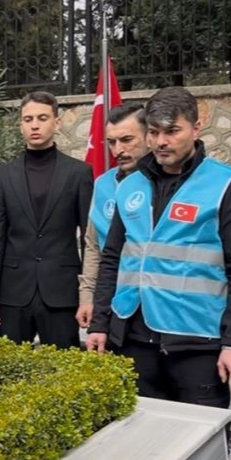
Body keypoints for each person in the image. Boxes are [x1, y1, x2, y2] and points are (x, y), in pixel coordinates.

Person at [87, 86, 231, 406]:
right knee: (137, 432)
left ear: (196, 128)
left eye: (172, 131)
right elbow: (112, 258)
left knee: (201, 433)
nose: (161, 141)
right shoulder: (129, 186)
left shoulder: (229, 185)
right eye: (153, 132)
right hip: (132, 339)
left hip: (197, 344)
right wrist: (100, 325)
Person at [0, 91, 92, 348]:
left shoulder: (79, 173)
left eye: (42, 118)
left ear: (57, 122)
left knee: (64, 366)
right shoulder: (4, 175)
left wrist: (88, 295)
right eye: (28, 119)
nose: (34, 125)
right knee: (9, 366)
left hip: (61, 292)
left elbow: (89, 240)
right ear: (21, 124)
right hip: (13, 292)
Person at [76, 103, 148, 329]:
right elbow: (93, 245)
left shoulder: (162, 185)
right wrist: (87, 296)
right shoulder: (103, 184)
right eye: (111, 142)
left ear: (150, 136)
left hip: (153, 300)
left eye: (127, 140)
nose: (118, 150)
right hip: (111, 299)